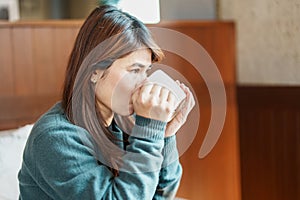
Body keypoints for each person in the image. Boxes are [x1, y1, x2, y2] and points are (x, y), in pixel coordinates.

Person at [18, 5, 195, 200]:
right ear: (95, 71)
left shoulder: (120, 124)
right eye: (135, 70)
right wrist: (148, 131)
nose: (143, 83)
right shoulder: (55, 137)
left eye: (146, 71)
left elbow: (161, 195)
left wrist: (164, 135)